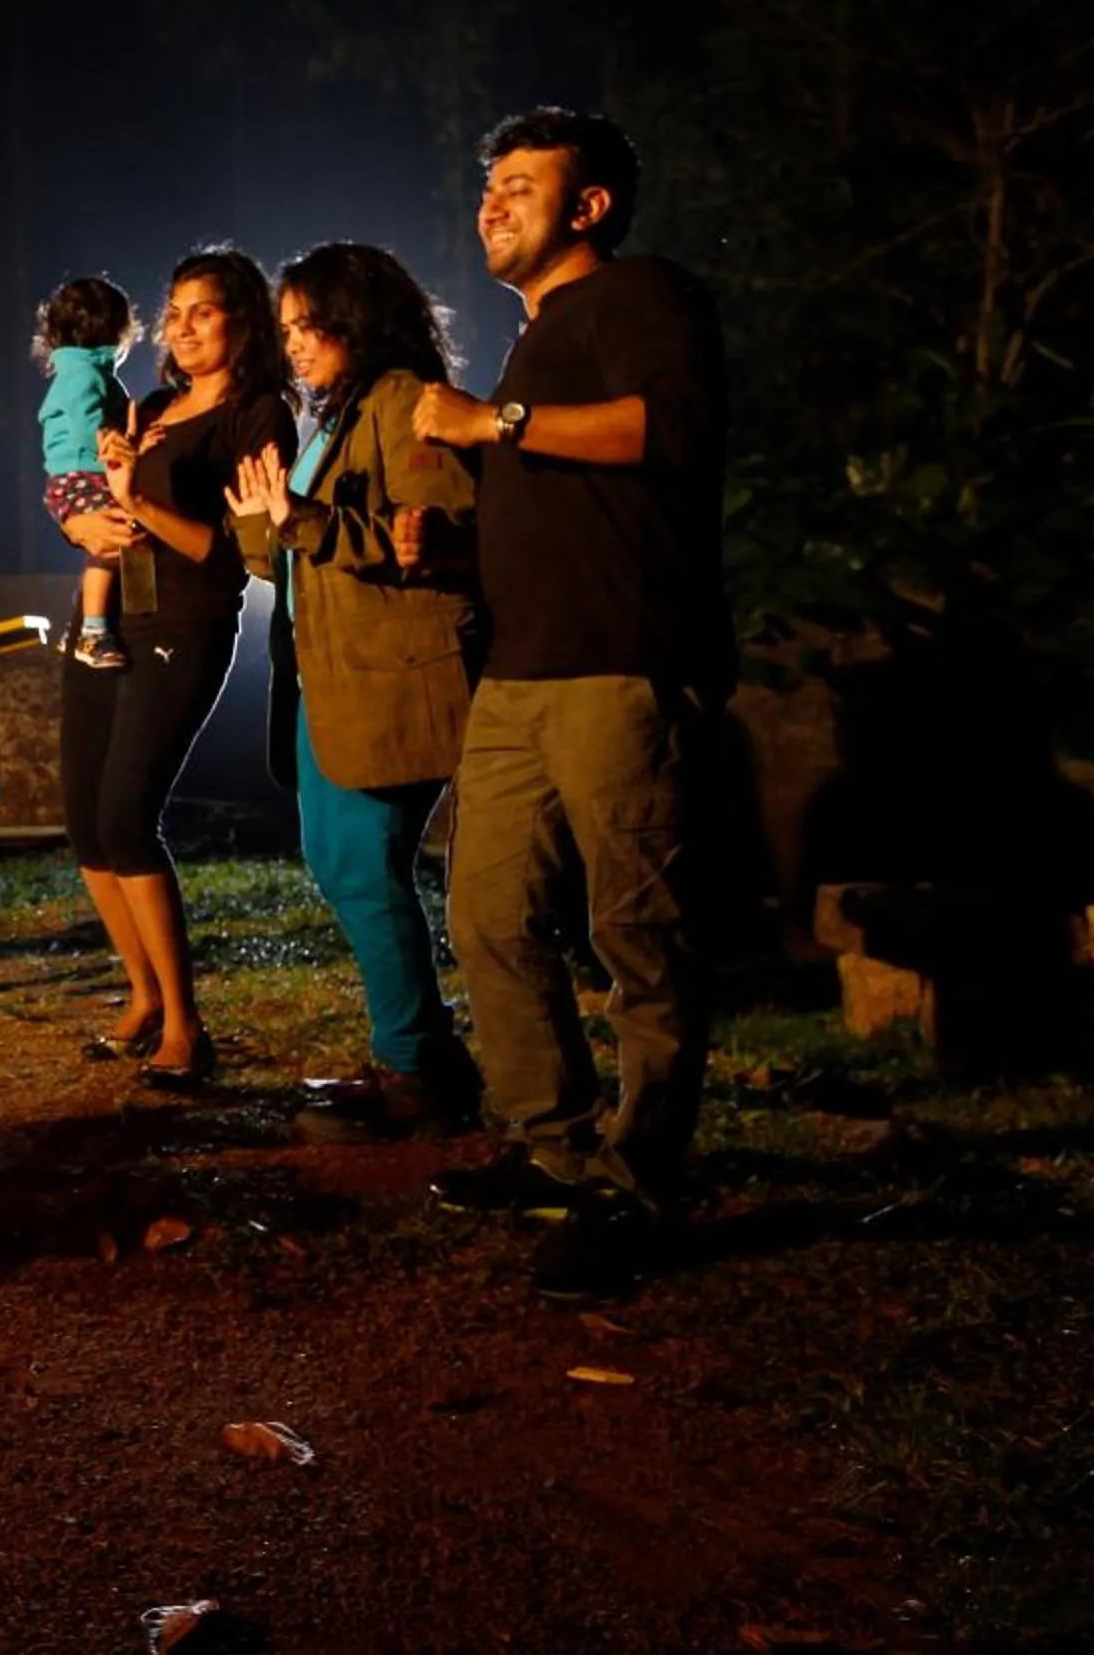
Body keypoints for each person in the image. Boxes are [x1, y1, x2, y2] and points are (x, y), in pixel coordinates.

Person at [408, 108, 729, 1300]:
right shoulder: (534, 341)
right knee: (489, 915)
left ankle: (640, 1181)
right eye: (486, 185)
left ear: (588, 206)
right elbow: (560, 506)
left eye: (521, 185)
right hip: (522, 675)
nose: (491, 202)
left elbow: (669, 432)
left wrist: (495, 423)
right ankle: (556, 1145)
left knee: (641, 933)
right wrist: (455, 545)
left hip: (626, 664)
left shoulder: (644, 294)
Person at [225, 243, 483, 1140]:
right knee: (346, 866)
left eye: (309, 326)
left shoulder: (405, 402)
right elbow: (303, 544)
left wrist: (309, 521)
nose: (293, 344)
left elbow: (439, 533)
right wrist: (264, 525)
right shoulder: (333, 417)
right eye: (286, 328)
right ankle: (424, 1054)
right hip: (324, 679)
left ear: (357, 319)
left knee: (368, 868)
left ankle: (415, 1069)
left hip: (385, 679)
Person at [57, 250, 299, 1081]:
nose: (184, 325)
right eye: (176, 309)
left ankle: (187, 1028)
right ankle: (142, 995)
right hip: (108, 620)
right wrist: (87, 525)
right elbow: (102, 506)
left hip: (183, 626)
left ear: (243, 320)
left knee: (128, 816)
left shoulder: (256, 415)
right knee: (86, 822)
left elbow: (230, 558)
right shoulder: (153, 405)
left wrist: (138, 501)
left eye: (204, 310)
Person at [34, 276, 138, 670]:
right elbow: (87, 426)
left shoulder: (85, 372)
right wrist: (122, 453)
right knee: (109, 543)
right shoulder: (85, 375)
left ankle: (88, 627)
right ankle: (91, 632)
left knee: (110, 547)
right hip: (82, 475)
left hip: (81, 474)